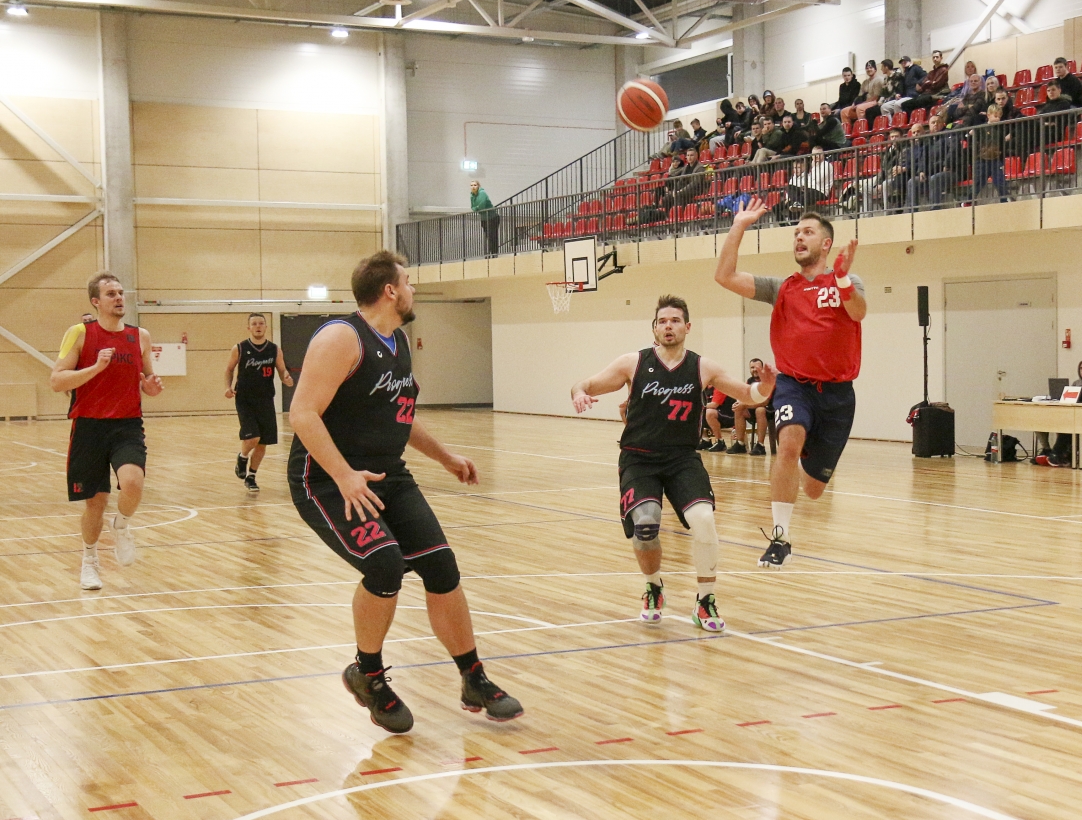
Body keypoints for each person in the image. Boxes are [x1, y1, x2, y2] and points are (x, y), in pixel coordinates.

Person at [287, 250, 521, 733]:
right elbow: (302, 414)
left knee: (440, 564)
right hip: (327, 480)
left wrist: (446, 457)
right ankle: (367, 674)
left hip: (388, 474)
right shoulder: (341, 337)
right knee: (385, 563)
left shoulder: (396, 343)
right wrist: (346, 475)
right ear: (390, 290)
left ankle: (473, 676)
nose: (413, 289)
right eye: (408, 282)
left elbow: (402, 417)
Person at [571, 295, 774, 629]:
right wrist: (579, 393)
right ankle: (654, 588)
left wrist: (763, 388)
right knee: (647, 524)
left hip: (682, 459)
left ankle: (705, 601)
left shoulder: (702, 367)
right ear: (654, 327)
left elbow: (747, 395)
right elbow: (585, 383)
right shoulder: (632, 363)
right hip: (639, 459)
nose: (669, 326)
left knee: (704, 520)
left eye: (675, 321)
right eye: (662, 321)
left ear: (687, 327)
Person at [714, 201, 866, 568]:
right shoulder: (781, 287)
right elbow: (724, 276)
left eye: (807, 232)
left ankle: (799, 472)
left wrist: (843, 278)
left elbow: (858, 312)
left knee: (813, 490)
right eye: (796, 232)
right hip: (793, 386)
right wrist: (739, 226)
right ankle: (780, 537)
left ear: (826, 244)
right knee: (787, 446)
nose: (799, 236)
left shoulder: (847, 282)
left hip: (837, 396)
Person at [50, 272, 163, 591]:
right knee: (95, 503)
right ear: (96, 302)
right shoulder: (79, 334)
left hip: (127, 425)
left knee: (132, 484)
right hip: (88, 427)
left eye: (121, 292)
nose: (118, 297)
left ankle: (122, 525)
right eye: (111, 293)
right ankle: (90, 561)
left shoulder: (140, 335)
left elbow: (149, 381)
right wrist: (95, 368)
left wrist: (152, 387)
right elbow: (57, 380)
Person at [224, 312, 294, 494]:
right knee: (252, 437)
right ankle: (242, 456)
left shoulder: (274, 349)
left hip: (266, 400)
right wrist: (228, 387)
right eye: (254, 324)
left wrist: (286, 377)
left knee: (263, 443)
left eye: (261, 323)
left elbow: (281, 369)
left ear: (265, 326)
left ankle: (252, 476)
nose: (258, 326)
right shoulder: (239, 348)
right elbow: (229, 369)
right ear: (249, 327)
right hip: (245, 399)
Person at [732, 358, 771, 456]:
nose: (754, 369)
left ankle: (760, 445)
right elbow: (744, 396)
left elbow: (765, 402)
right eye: (752, 367)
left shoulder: (768, 380)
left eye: (757, 367)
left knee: (760, 410)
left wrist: (744, 404)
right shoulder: (750, 381)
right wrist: (738, 403)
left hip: (769, 410)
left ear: (762, 369)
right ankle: (740, 444)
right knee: (739, 409)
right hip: (752, 408)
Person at [469, 179, 500, 257]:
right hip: (484, 218)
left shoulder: (482, 193)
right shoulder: (472, 195)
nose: (473, 187)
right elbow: (472, 207)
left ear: (478, 186)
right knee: (488, 236)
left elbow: (482, 206)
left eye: (475, 185)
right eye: (471, 185)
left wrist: (477, 208)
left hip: (492, 217)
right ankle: (489, 252)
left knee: (492, 236)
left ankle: (494, 253)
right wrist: (477, 208)